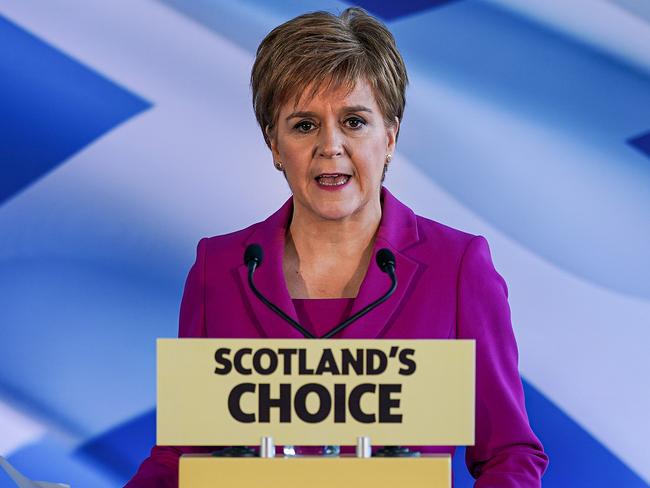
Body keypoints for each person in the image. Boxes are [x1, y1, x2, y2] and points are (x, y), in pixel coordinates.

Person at [125, 7, 548, 487]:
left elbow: (508, 455)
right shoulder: (219, 270)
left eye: (353, 121)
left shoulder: (456, 268)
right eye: (304, 125)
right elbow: (180, 458)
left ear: (390, 136)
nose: (331, 145)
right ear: (273, 142)